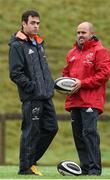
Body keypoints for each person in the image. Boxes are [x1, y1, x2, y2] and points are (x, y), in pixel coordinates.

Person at [8, 10, 58, 175]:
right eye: (32, 23)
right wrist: (31, 87)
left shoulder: (38, 43)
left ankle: (30, 160)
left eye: (38, 23)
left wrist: (50, 85)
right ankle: (25, 168)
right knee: (31, 131)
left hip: (46, 95)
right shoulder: (17, 45)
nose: (36, 26)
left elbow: (44, 70)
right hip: (32, 97)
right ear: (24, 23)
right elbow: (15, 73)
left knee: (52, 128)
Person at [62, 22, 110, 176]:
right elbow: (66, 74)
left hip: (91, 101)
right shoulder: (72, 53)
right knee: (78, 135)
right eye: (78, 32)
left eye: (83, 32)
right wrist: (65, 84)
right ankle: (84, 169)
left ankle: (94, 169)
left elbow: (103, 75)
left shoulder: (100, 52)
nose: (80, 35)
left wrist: (82, 83)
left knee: (89, 133)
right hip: (74, 101)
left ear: (91, 33)